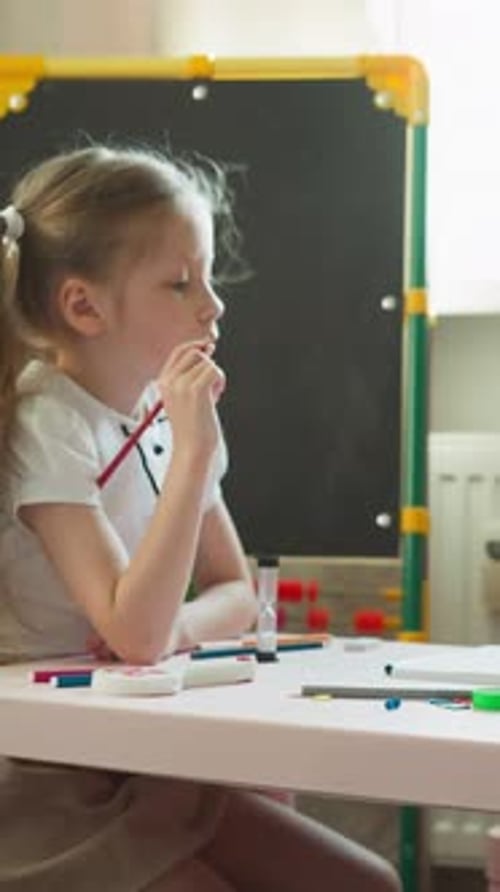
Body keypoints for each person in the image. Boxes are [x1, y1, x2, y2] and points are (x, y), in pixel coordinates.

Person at [0, 145, 401, 892]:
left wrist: (178, 629)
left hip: (139, 748)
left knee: (365, 881)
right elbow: (134, 633)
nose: (212, 304)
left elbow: (235, 591)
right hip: (44, 774)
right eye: (181, 282)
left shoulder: (164, 410)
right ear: (85, 307)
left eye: (208, 275)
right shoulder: (47, 422)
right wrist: (192, 457)